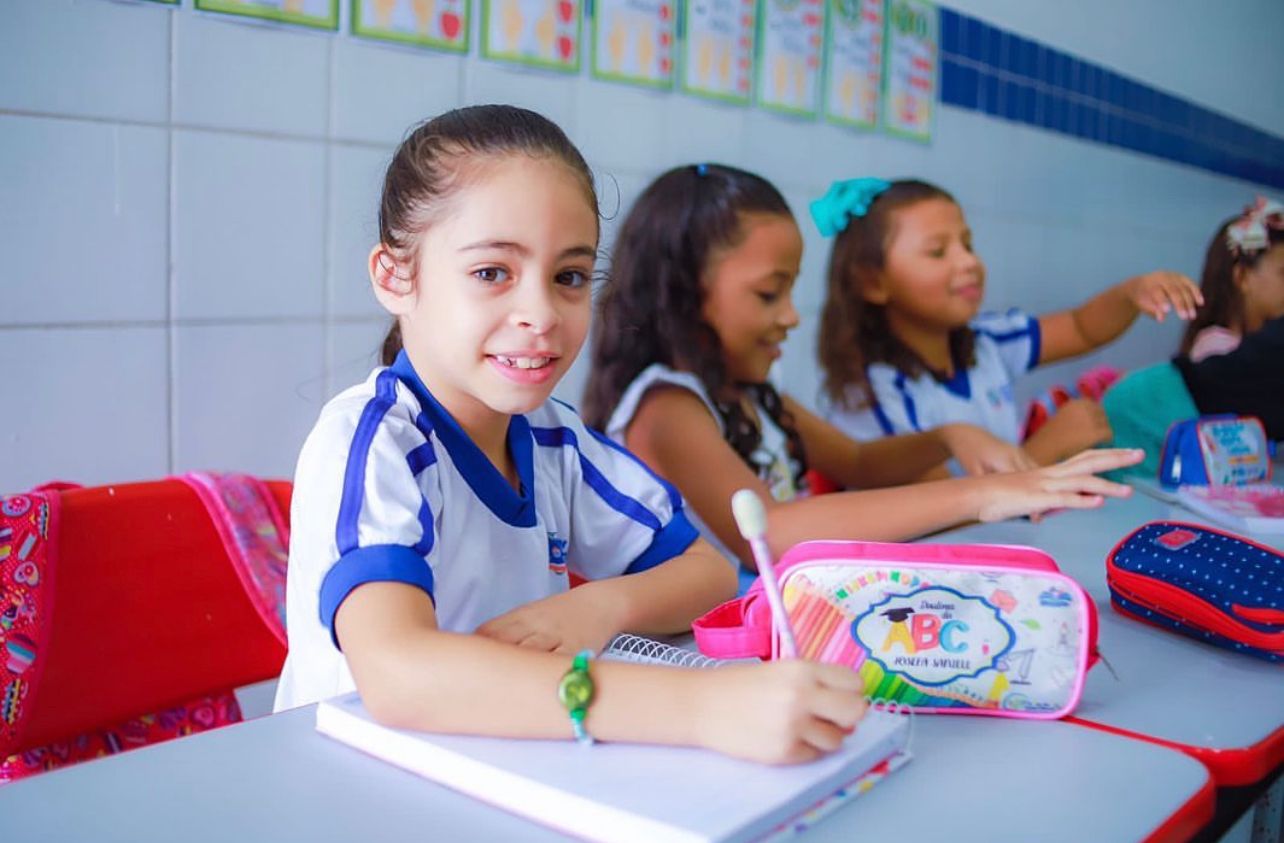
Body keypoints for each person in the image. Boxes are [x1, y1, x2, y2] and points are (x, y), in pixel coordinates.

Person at [275, 106, 868, 766]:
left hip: (509, 764)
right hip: (360, 782)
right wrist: (698, 707)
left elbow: (706, 571)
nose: (541, 315)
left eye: (569, 277)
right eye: (492, 272)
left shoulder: (554, 439)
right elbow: (399, 671)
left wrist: (601, 607)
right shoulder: (371, 440)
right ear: (395, 277)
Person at [583, 164, 1143, 588]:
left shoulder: (750, 393)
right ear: (683, 296)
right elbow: (770, 535)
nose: (792, 315)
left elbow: (858, 463)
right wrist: (983, 493)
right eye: (768, 293)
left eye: (792, 290)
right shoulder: (667, 411)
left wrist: (951, 437)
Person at [813, 178, 1202, 466]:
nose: (968, 262)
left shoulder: (988, 343)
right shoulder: (868, 394)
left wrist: (1131, 294)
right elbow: (929, 509)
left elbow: (1082, 328)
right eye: (937, 252)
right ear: (873, 282)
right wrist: (1043, 451)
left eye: (967, 244)